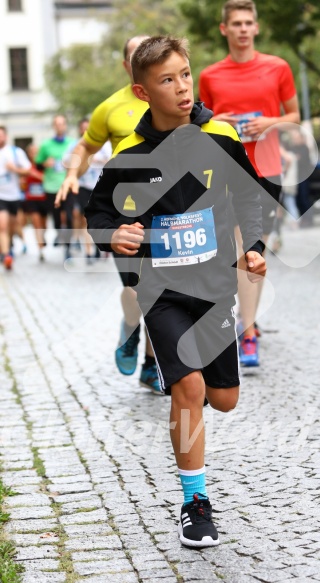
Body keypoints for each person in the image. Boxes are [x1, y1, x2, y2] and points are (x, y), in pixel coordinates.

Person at [85, 35, 266, 548]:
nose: (183, 87)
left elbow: (250, 196)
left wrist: (252, 245)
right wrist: (111, 233)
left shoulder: (220, 137)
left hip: (213, 289)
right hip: (160, 291)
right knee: (187, 390)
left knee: (223, 399)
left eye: (186, 74)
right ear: (143, 93)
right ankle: (195, 502)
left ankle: (191, 403)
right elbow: (97, 214)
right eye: (168, 80)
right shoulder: (130, 155)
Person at [54, 35, 161, 394]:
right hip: (124, 213)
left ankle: (150, 365)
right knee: (137, 290)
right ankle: (130, 327)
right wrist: (71, 174)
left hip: (166, 211)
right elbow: (86, 145)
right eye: (137, 56)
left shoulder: (171, 97)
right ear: (126, 65)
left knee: (159, 293)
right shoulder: (110, 107)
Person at [199, 0, 300, 366]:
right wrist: (219, 118)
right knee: (240, 249)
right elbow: (202, 122)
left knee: (254, 253)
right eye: (236, 23)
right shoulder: (210, 75)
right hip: (227, 171)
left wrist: (269, 123)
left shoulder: (278, 67)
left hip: (267, 168)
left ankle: (248, 325)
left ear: (256, 28)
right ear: (224, 29)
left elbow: (295, 116)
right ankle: (249, 329)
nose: (243, 29)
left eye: (248, 22)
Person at [65, 118, 111, 264]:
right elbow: (66, 162)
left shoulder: (104, 144)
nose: (86, 131)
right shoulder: (75, 145)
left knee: (103, 218)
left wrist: (95, 159)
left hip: (101, 186)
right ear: (80, 130)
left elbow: (112, 160)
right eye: (83, 128)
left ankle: (100, 244)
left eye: (88, 128)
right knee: (86, 219)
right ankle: (89, 252)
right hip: (83, 187)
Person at [35, 114, 74, 259]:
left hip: (67, 185)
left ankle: (68, 247)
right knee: (57, 218)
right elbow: (38, 164)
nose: (59, 126)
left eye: (62, 123)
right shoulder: (46, 145)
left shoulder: (72, 143)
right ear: (53, 126)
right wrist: (45, 164)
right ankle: (59, 233)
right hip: (51, 187)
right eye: (57, 124)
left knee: (69, 217)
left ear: (65, 126)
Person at [0, 126, 31, 269]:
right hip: (1, 197)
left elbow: (28, 170)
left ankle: (9, 245)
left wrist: (15, 169)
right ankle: (6, 255)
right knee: (2, 226)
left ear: (6, 136)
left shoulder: (15, 152)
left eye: (1, 135)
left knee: (12, 227)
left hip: (14, 196)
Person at [24, 143, 47, 261]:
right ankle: (40, 249)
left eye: (36, 151)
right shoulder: (25, 166)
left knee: (44, 225)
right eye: (32, 152)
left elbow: (48, 178)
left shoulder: (43, 166)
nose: (35, 154)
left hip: (44, 198)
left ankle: (43, 239)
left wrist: (35, 174)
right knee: (36, 224)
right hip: (31, 199)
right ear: (28, 154)